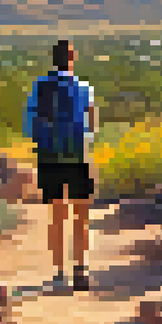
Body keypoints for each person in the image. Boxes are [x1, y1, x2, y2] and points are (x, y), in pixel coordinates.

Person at [23, 40, 98, 293]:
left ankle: (58, 274)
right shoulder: (84, 88)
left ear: (53, 59)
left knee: (56, 216)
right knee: (81, 217)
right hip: (77, 157)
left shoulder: (39, 87)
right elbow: (92, 126)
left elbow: (28, 125)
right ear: (72, 58)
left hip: (49, 158)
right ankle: (81, 271)